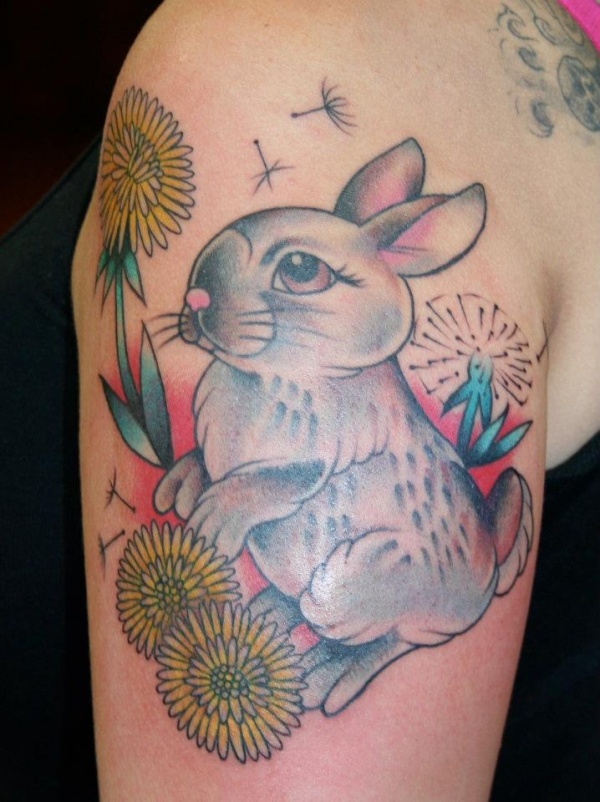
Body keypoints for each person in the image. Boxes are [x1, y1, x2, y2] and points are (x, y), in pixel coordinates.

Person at [2, 0, 598, 798]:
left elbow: (311, 470)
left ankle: (376, 641)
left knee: (342, 590)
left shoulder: (278, 52)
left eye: (300, 273)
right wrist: (206, 475)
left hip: (416, 567)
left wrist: (241, 498)